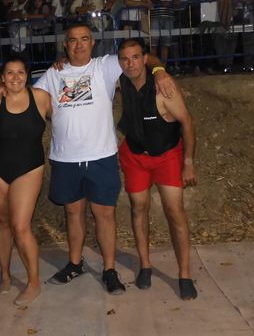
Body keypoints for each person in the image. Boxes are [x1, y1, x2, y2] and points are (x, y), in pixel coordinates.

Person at [33, 24, 176, 295]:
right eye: (72, 40)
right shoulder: (54, 73)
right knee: (73, 212)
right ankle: (75, 263)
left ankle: (109, 269)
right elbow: (31, 98)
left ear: (93, 43)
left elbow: (147, 58)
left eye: (84, 39)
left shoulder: (105, 66)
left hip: (101, 156)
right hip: (65, 158)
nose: (78, 45)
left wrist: (160, 72)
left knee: (105, 215)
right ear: (65, 45)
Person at [116, 38, 198, 301]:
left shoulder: (164, 88)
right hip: (135, 155)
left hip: (167, 156)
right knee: (138, 208)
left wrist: (188, 162)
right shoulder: (121, 82)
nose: (130, 64)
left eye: (135, 58)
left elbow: (187, 123)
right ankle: (145, 265)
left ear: (145, 59)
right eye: (124, 59)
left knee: (174, 210)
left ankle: (184, 274)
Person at [0, 55, 51, 306]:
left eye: (20, 72)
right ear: (2, 77)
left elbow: (68, 117)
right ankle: (5, 275)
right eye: (9, 73)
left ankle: (33, 283)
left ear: (27, 75)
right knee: (2, 221)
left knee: (20, 226)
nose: (15, 77)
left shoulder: (41, 98)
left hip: (28, 168)